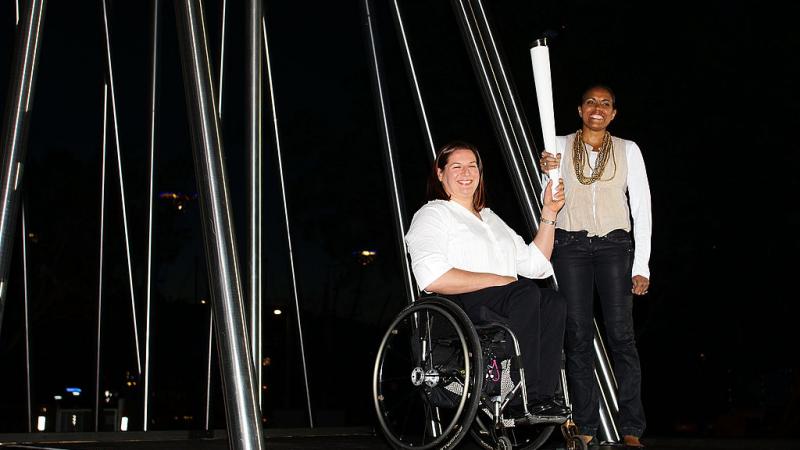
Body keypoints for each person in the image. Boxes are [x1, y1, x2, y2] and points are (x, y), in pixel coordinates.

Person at [405, 141, 567, 415]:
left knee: (553, 301)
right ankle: (522, 392)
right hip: (460, 303)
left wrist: (549, 212)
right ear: (440, 174)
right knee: (525, 293)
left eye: (472, 166)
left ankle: (541, 394)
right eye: (456, 166)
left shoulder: (490, 218)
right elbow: (432, 276)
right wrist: (496, 279)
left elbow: (535, 265)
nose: (466, 172)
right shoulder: (433, 214)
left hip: (507, 298)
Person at [539, 84, 651, 447]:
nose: (597, 108)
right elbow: (551, 199)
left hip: (615, 246)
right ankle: (585, 427)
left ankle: (631, 429)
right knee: (578, 337)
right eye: (591, 102)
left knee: (621, 335)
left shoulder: (628, 150)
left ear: (614, 113)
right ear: (580, 109)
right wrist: (546, 171)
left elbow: (642, 209)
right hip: (570, 245)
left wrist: (642, 265)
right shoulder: (556, 145)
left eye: (605, 104)